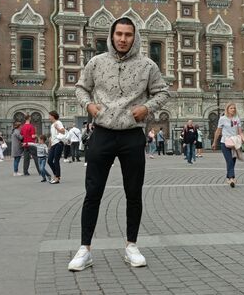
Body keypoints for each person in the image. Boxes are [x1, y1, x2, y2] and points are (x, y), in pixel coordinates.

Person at [68, 16, 169, 271]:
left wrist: (146, 108)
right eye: (119, 34)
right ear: (112, 36)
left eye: (128, 34)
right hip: (102, 133)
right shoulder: (96, 62)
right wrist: (89, 105)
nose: (123, 39)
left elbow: (163, 92)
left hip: (131, 136)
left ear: (135, 37)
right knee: (93, 192)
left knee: (133, 193)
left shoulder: (147, 66)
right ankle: (84, 249)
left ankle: (131, 245)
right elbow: (80, 88)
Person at [212, 102, 244, 187]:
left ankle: (228, 177)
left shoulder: (237, 118)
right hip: (225, 142)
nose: (233, 110)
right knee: (229, 160)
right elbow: (218, 131)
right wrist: (214, 142)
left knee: (233, 161)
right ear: (227, 109)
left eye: (234, 108)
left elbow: (240, 131)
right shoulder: (222, 119)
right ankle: (232, 178)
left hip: (234, 142)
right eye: (231, 108)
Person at [47, 111, 66, 184]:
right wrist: (50, 144)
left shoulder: (58, 122)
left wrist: (57, 127)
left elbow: (63, 131)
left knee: (56, 161)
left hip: (58, 143)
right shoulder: (52, 125)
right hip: (53, 144)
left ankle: (57, 177)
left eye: (49, 116)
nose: (48, 117)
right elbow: (52, 136)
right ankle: (55, 175)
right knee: (49, 160)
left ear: (53, 116)